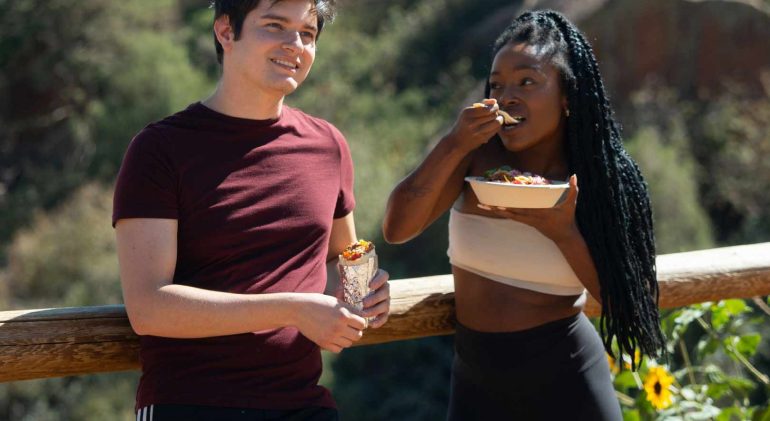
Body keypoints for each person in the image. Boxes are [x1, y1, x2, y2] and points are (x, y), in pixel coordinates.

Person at [112, 1, 390, 419]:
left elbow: (343, 259)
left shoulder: (328, 144)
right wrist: (293, 308)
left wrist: (367, 291)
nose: (294, 44)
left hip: (303, 402)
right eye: (275, 26)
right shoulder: (159, 150)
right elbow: (147, 308)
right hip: (191, 404)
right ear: (226, 32)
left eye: (307, 34)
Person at [383, 10, 665, 421]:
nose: (507, 96)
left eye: (527, 82)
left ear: (567, 96)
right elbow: (396, 228)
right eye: (497, 85)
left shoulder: (594, 178)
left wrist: (564, 233)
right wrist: (452, 143)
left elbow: (623, 300)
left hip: (569, 384)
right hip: (476, 386)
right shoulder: (475, 158)